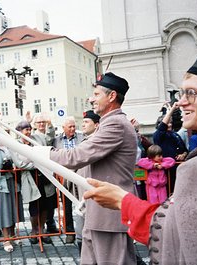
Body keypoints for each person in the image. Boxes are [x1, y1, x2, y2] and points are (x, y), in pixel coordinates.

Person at [83, 52, 197, 264]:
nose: (181, 103)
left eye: (192, 93)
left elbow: (195, 242)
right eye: (182, 93)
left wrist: (124, 202)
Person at [49, 72, 138, 264]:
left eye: (96, 94)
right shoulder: (108, 123)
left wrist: (42, 153)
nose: (91, 99)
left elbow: (77, 156)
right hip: (97, 214)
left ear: (112, 96)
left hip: (110, 217)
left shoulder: (115, 124)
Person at [12, 120, 56, 245]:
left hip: (44, 178)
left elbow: (49, 139)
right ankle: (34, 231)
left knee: (45, 207)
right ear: (20, 132)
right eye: (26, 129)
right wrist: (38, 164)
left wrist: (50, 126)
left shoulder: (38, 138)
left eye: (30, 129)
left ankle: (42, 230)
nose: (29, 131)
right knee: (34, 208)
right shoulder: (16, 144)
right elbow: (20, 164)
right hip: (30, 179)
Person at [52, 116, 84, 244]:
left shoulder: (81, 138)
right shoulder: (56, 140)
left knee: (82, 203)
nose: (72, 129)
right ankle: (70, 232)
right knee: (66, 206)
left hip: (79, 175)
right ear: (63, 128)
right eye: (69, 127)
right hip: (64, 177)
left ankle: (83, 230)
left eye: (74, 126)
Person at [74, 110, 100, 252]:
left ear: (96, 125)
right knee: (81, 231)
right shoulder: (85, 140)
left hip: (93, 193)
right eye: (82, 122)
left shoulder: (96, 141)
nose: (83, 125)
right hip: (81, 194)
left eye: (86, 122)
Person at [153, 103, 188, 194]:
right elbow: (163, 126)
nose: (170, 124)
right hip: (166, 172)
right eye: (168, 123)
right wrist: (171, 110)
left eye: (170, 122)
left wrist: (183, 155)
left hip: (179, 169)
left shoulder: (175, 134)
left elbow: (185, 150)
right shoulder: (158, 135)